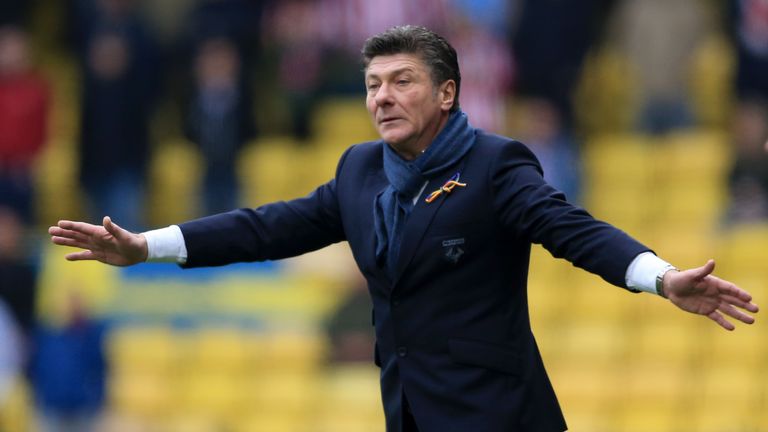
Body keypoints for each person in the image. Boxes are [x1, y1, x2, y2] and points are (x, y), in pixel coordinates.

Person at [48, 25, 758, 432]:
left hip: (497, 419)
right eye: (372, 84)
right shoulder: (359, 170)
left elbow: (572, 230)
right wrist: (147, 247)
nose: (381, 97)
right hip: (410, 416)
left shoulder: (496, 165)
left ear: (448, 93)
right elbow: (267, 228)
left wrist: (659, 277)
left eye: (402, 81)